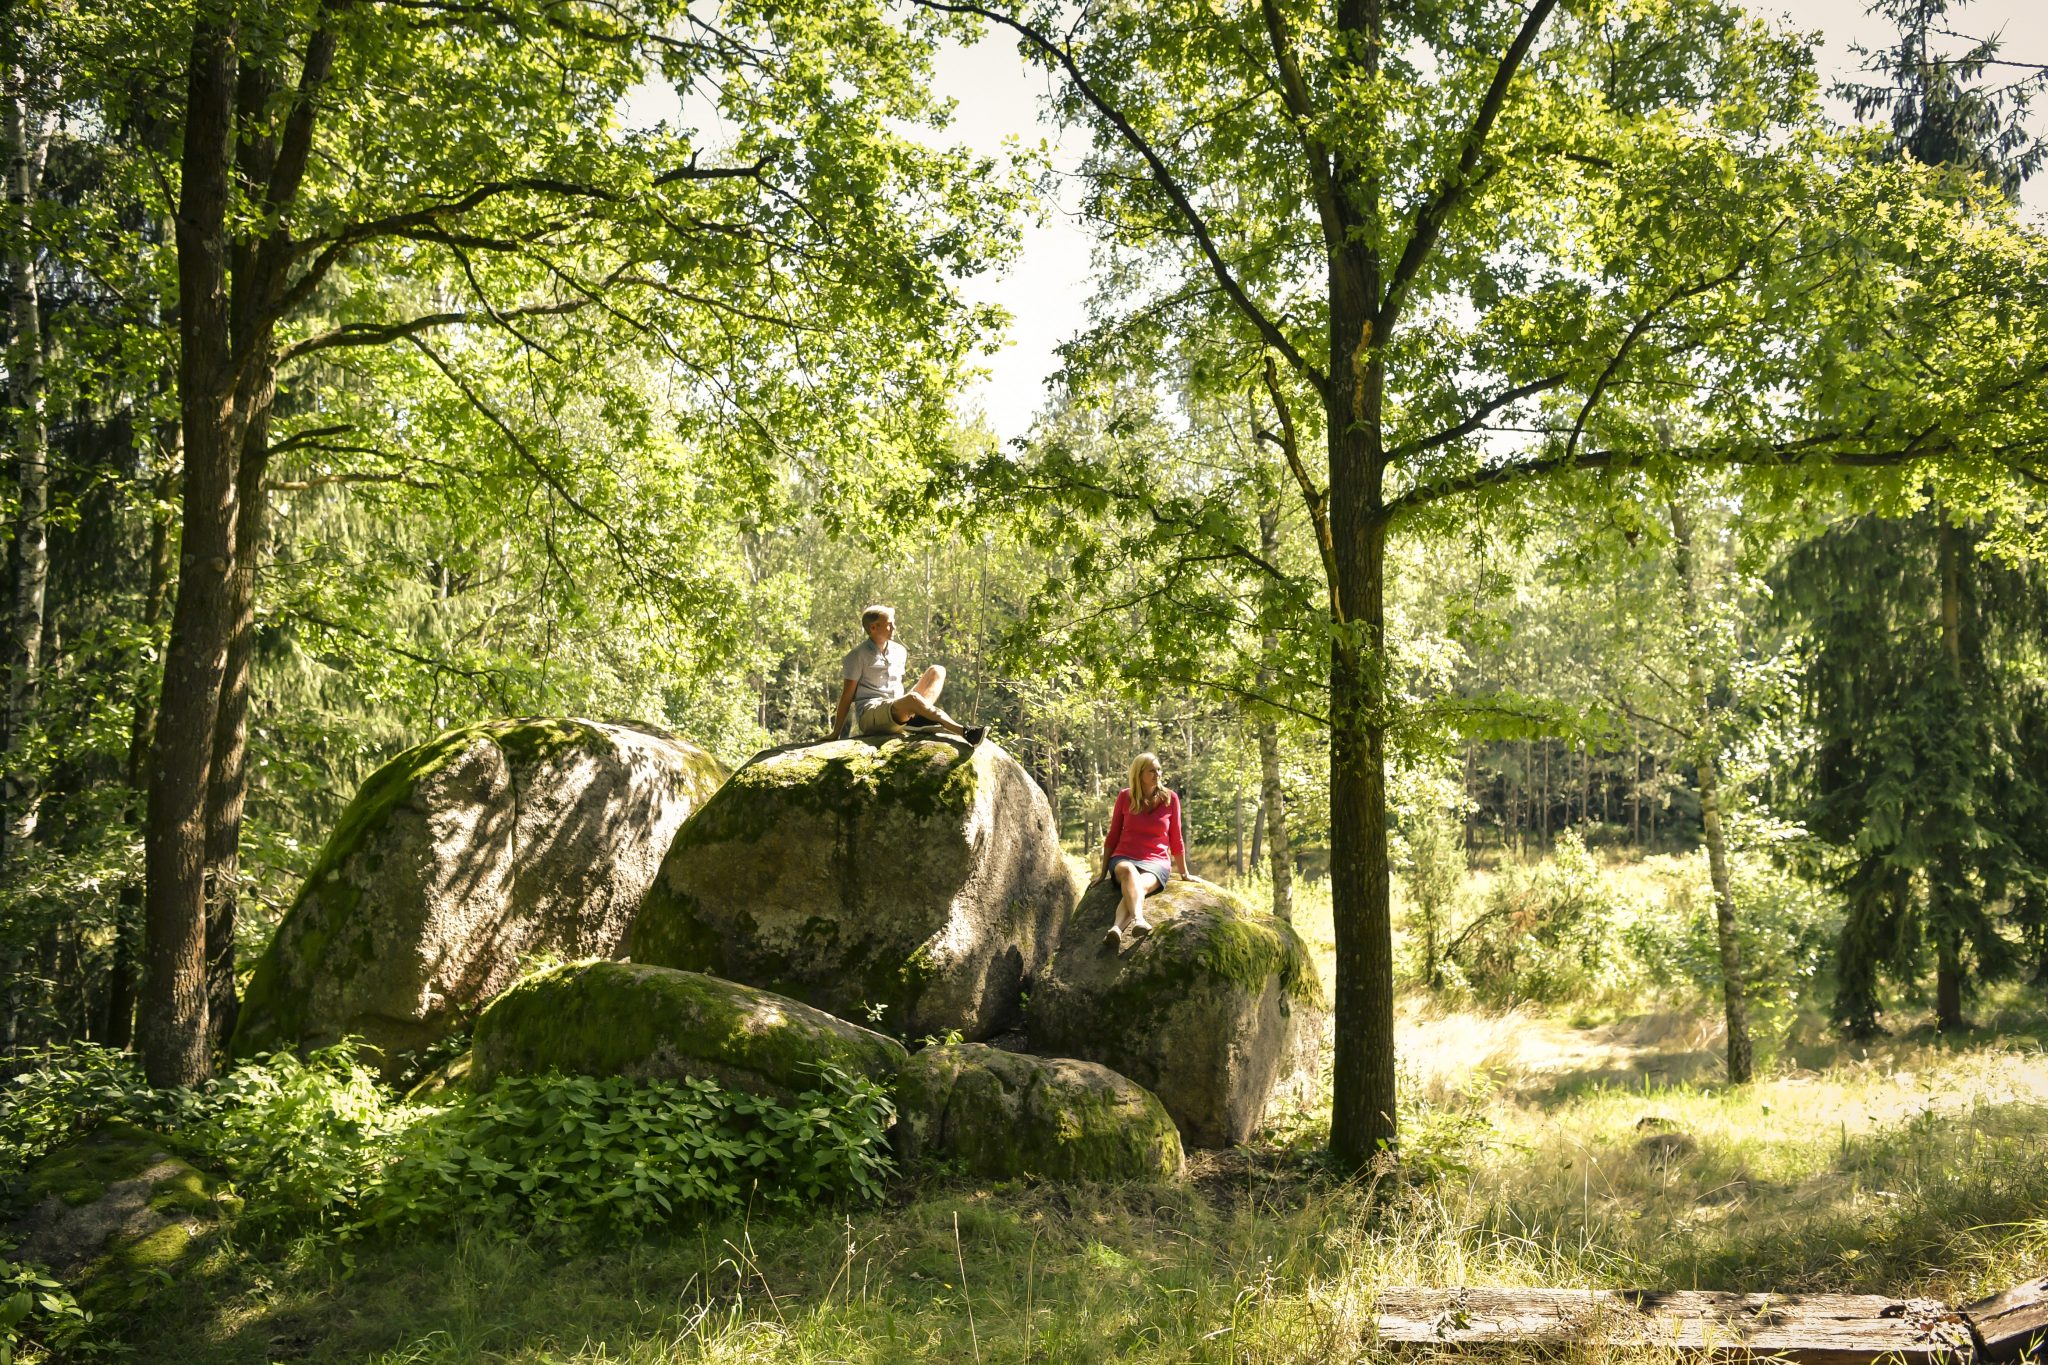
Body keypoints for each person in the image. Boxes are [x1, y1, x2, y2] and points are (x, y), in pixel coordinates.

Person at [833, 604, 985, 745]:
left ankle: (917, 721)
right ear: (873, 627)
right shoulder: (857, 656)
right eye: (889, 624)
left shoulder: (899, 651)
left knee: (937, 670)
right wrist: (836, 732)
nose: (894, 627)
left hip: (897, 707)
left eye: (894, 623)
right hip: (871, 713)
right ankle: (964, 732)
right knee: (912, 699)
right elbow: (847, 696)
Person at [1095, 751, 1188, 947]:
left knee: (1140, 886)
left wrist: (1184, 874)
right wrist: (1103, 873)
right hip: (1124, 856)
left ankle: (1117, 928)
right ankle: (1138, 919)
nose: (1158, 774)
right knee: (1129, 872)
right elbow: (1113, 835)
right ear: (1139, 774)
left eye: (1159, 769)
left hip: (1156, 861)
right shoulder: (1125, 796)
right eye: (1151, 771)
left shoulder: (1170, 798)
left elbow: (1176, 838)